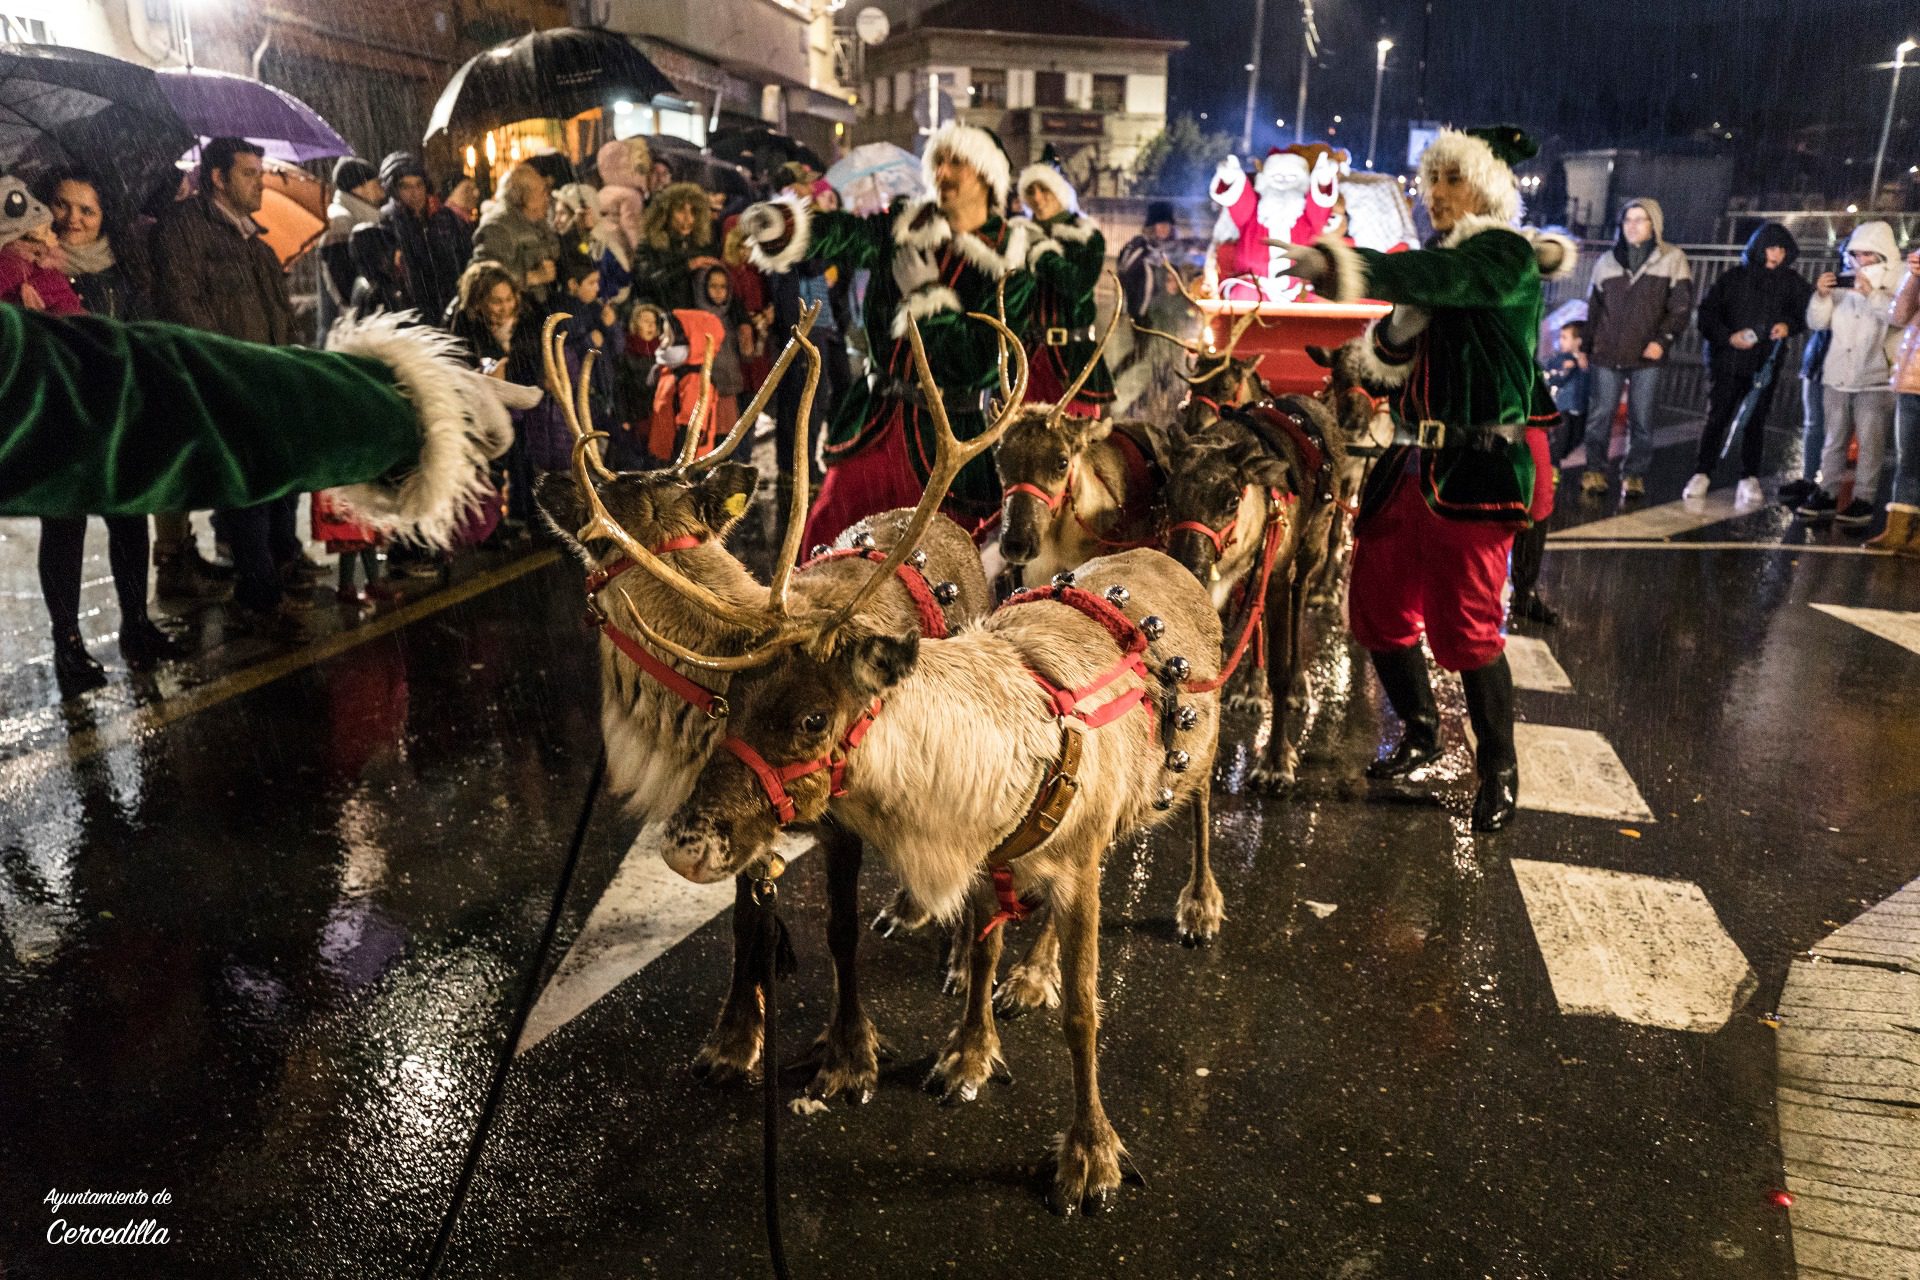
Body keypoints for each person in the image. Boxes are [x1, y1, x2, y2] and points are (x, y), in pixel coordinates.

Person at [1278, 125, 1573, 833]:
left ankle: (1498, 769)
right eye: (1430, 181)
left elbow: (1437, 279)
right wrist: (1368, 347)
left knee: (1467, 631)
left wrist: (1336, 263)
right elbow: (1387, 350)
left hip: (1475, 471)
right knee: (1377, 614)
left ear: (1487, 189)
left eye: (1451, 180)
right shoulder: (1444, 268)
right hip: (1411, 464)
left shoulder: (1500, 253)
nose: (1435, 194)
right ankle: (1419, 732)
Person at [739, 120, 1037, 544]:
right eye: (939, 161)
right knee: (826, 539)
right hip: (875, 423)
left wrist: (928, 297)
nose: (943, 173)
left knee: (939, 565)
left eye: (958, 163)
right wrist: (786, 227)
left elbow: (980, 363)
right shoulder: (903, 226)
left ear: (987, 175)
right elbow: (847, 234)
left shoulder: (1009, 264)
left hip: (948, 438)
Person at [0, 176, 178, 689]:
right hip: (56, 411)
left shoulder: (120, 269)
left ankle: (137, 625)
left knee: (128, 517)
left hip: (114, 405)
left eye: (87, 209)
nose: (72, 218)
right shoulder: (15, 268)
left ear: (104, 217)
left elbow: (137, 330)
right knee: (65, 524)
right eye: (61, 204)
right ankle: (68, 647)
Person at [150, 137, 317, 639]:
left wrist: (291, 363)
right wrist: (227, 370)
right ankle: (259, 592)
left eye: (260, 172)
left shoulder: (259, 245)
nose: (260, 182)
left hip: (272, 379)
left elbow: (282, 316)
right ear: (217, 177)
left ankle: (282, 565)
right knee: (249, 489)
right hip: (229, 380)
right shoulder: (183, 232)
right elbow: (185, 307)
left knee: (281, 481)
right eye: (248, 173)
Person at [1691, 222, 1812, 508]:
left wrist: (1788, 326)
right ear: (1758, 248)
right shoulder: (1733, 278)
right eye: (1771, 247)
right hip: (1727, 362)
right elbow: (1707, 315)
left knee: (1756, 420)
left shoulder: (1792, 282)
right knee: (1718, 417)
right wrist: (1728, 338)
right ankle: (1702, 472)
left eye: (1782, 249)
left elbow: (1806, 313)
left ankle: (1749, 476)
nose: (1776, 254)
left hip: (1764, 366)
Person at [1576, 200, 1692, 498]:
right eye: (1628, 219)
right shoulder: (1607, 261)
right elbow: (1594, 309)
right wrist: (1584, 347)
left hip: (1647, 355)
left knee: (1642, 417)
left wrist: (1662, 341)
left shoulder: (1672, 258)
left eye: (1641, 220)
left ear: (1654, 224)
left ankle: (1635, 474)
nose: (1633, 225)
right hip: (1607, 352)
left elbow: (1680, 308)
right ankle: (1594, 470)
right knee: (1600, 415)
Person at [1797, 221, 1901, 529]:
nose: (1859, 260)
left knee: (1871, 442)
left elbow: (1898, 317)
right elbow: (1817, 323)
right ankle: (1826, 492)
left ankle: (1864, 499)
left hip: (1877, 374)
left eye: (1867, 254)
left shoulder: (1900, 278)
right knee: (1834, 438)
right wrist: (1821, 296)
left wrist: (1873, 294)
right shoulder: (1843, 278)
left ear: (1882, 253)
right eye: (1855, 254)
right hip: (1838, 372)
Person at [447, 260, 550, 528]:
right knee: (492, 467)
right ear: (478, 302)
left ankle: (529, 516)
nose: (504, 307)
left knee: (527, 462)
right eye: (495, 301)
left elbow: (535, 355)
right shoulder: (464, 321)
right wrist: (488, 371)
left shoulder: (528, 316)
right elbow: (461, 363)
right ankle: (489, 528)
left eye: (508, 299)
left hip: (525, 399)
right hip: (487, 404)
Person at [1016, 149, 1113, 415]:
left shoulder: (1086, 237)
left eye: (1044, 190)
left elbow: (1078, 286)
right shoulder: (1017, 234)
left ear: (1059, 192)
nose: (1038, 198)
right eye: (1031, 191)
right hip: (1026, 359)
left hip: (1071, 359)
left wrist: (1043, 255)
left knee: (1073, 446)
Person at [1869, 250, 1920, 554]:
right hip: (1913, 377)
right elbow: (1899, 316)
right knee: (1908, 459)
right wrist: (1913, 276)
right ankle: (1897, 531)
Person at [380, 151, 460, 327]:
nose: (414, 193)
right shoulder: (387, 224)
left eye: (419, 185)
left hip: (450, 308)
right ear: (394, 190)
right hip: (413, 316)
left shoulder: (444, 217)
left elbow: (462, 256)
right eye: (405, 186)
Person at [472, 163, 559, 307]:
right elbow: (485, 276)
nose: (547, 198)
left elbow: (555, 251)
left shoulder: (537, 220)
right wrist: (532, 277)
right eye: (542, 192)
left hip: (538, 309)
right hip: (515, 315)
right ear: (524, 196)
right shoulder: (497, 226)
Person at [320, 157, 384, 338]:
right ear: (359, 187)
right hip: (352, 324)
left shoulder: (358, 216)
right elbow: (341, 278)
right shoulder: (341, 220)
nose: (381, 189)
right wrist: (359, 307)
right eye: (375, 183)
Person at [633, 182, 717, 311]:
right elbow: (646, 284)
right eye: (680, 211)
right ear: (665, 214)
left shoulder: (700, 244)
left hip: (695, 320)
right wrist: (688, 266)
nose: (688, 219)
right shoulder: (648, 245)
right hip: (662, 319)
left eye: (693, 212)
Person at [1781, 327, 1833, 508]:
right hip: (1817, 358)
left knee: (1835, 430)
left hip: (1844, 363)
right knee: (1812, 424)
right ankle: (1809, 478)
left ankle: (1827, 485)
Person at [1117, 200, 1181, 323]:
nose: (1164, 228)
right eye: (1160, 224)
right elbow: (1124, 273)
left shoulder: (1176, 250)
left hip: (1169, 315)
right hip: (1143, 314)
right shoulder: (1140, 246)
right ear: (1152, 226)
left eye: (1167, 224)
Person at [426, 174, 479, 319]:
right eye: (467, 189)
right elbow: (451, 264)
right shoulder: (444, 221)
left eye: (474, 188)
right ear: (451, 193)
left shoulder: (464, 220)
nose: (475, 193)